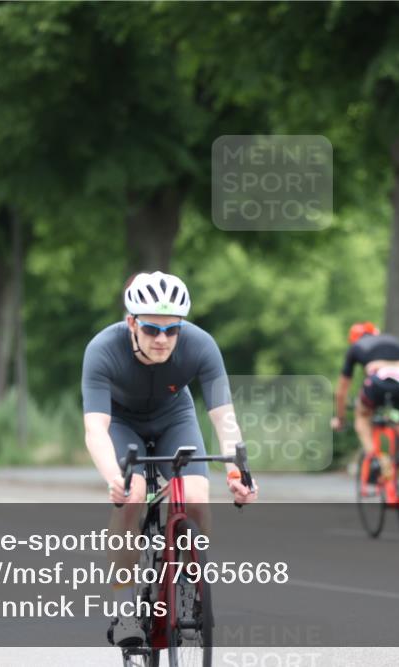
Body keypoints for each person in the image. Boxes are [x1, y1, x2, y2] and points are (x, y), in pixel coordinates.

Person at [81, 270, 257, 646]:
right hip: (121, 423)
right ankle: (124, 609)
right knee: (132, 498)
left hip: (175, 419)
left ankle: (194, 591)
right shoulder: (102, 349)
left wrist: (236, 472)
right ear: (131, 322)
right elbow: (95, 428)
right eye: (151, 329)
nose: (162, 340)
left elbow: (224, 419)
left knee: (195, 498)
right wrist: (115, 477)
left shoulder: (202, 346)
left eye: (172, 330)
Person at [331, 322, 399, 489]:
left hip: (378, 384)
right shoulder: (394, 341)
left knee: (362, 417)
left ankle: (376, 459)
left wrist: (340, 418)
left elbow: (341, 392)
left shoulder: (356, 347)